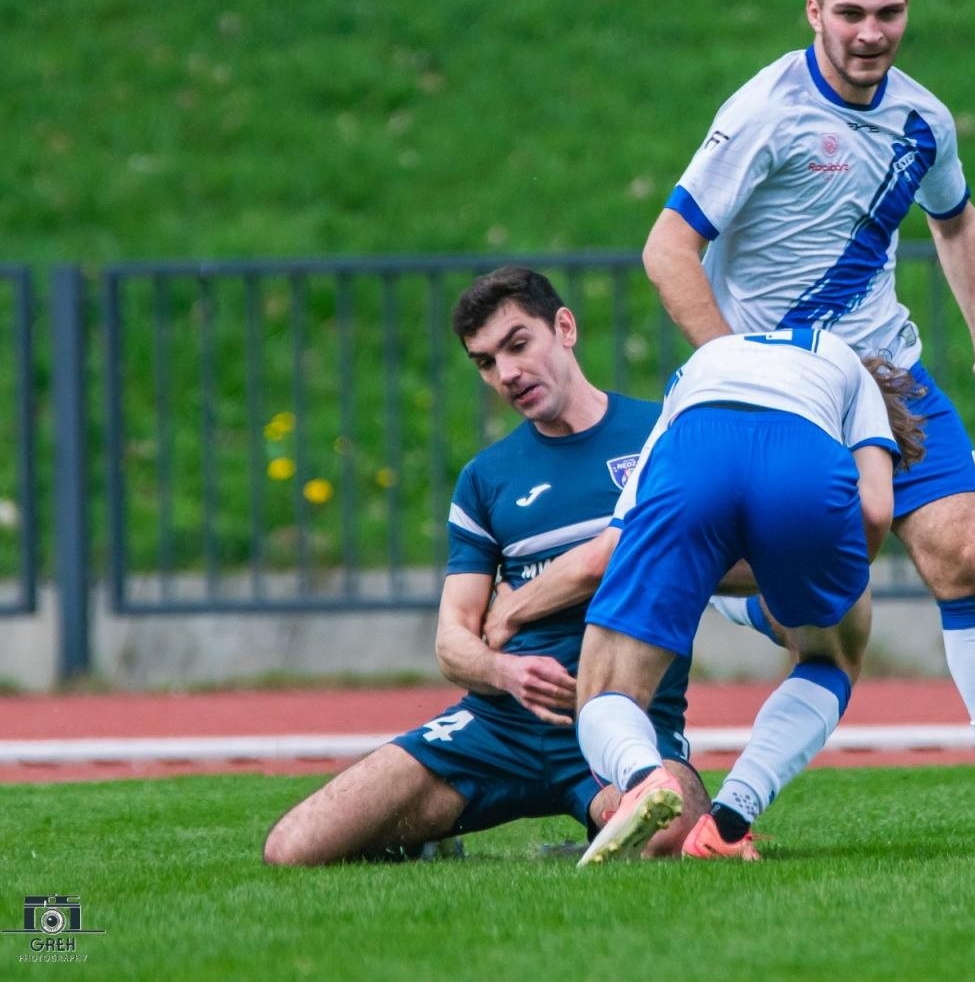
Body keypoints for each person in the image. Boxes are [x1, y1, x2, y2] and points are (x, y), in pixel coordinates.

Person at [640, 0, 975, 833]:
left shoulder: (922, 121)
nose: (871, 32)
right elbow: (668, 247)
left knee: (964, 551)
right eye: (851, 13)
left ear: (908, 11)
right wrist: (731, 365)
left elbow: (955, 216)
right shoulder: (765, 112)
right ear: (815, 13)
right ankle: (735, 603)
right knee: (824, 602)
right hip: (782, 387)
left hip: (885, 368)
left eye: (889, 12)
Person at [262, 267, 710, 865]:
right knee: (293, 849)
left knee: (668, 829)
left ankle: (594, 828)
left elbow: (684, 558)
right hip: (498, 730)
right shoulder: (486, 478)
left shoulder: (662, 435)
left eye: (518, 344)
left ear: (566, 328)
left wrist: (519, 603)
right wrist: (504, 673)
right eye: (485, 362)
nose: (507, 374)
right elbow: (453, 642)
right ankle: (428, 837)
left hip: (625, 719)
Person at [573, 327, 925, 864]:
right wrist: (822, 585)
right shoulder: (850, 373)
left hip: (695, 449)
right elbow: (875, 510)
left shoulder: (704, 360)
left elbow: (625, 531)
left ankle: (644, 778)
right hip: (802, 461)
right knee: (831, 658)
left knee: (604, 686)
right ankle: (729, 820)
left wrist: (509, 609)